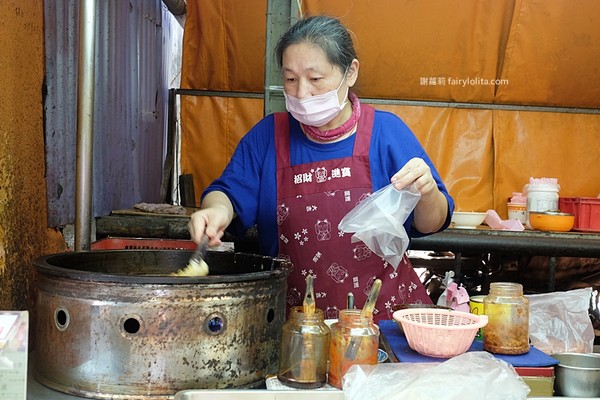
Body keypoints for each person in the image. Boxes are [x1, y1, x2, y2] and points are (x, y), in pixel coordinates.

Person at [188, 15, 455, 322]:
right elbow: (227, 194)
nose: (301, 93)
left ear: (350, 72)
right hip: (296, 327)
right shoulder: (268, 137)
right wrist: (215, 211)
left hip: (381, 323)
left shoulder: (387, 133)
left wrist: (427, 191)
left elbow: (432, 222)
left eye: (315, 79)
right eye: (290, 79)